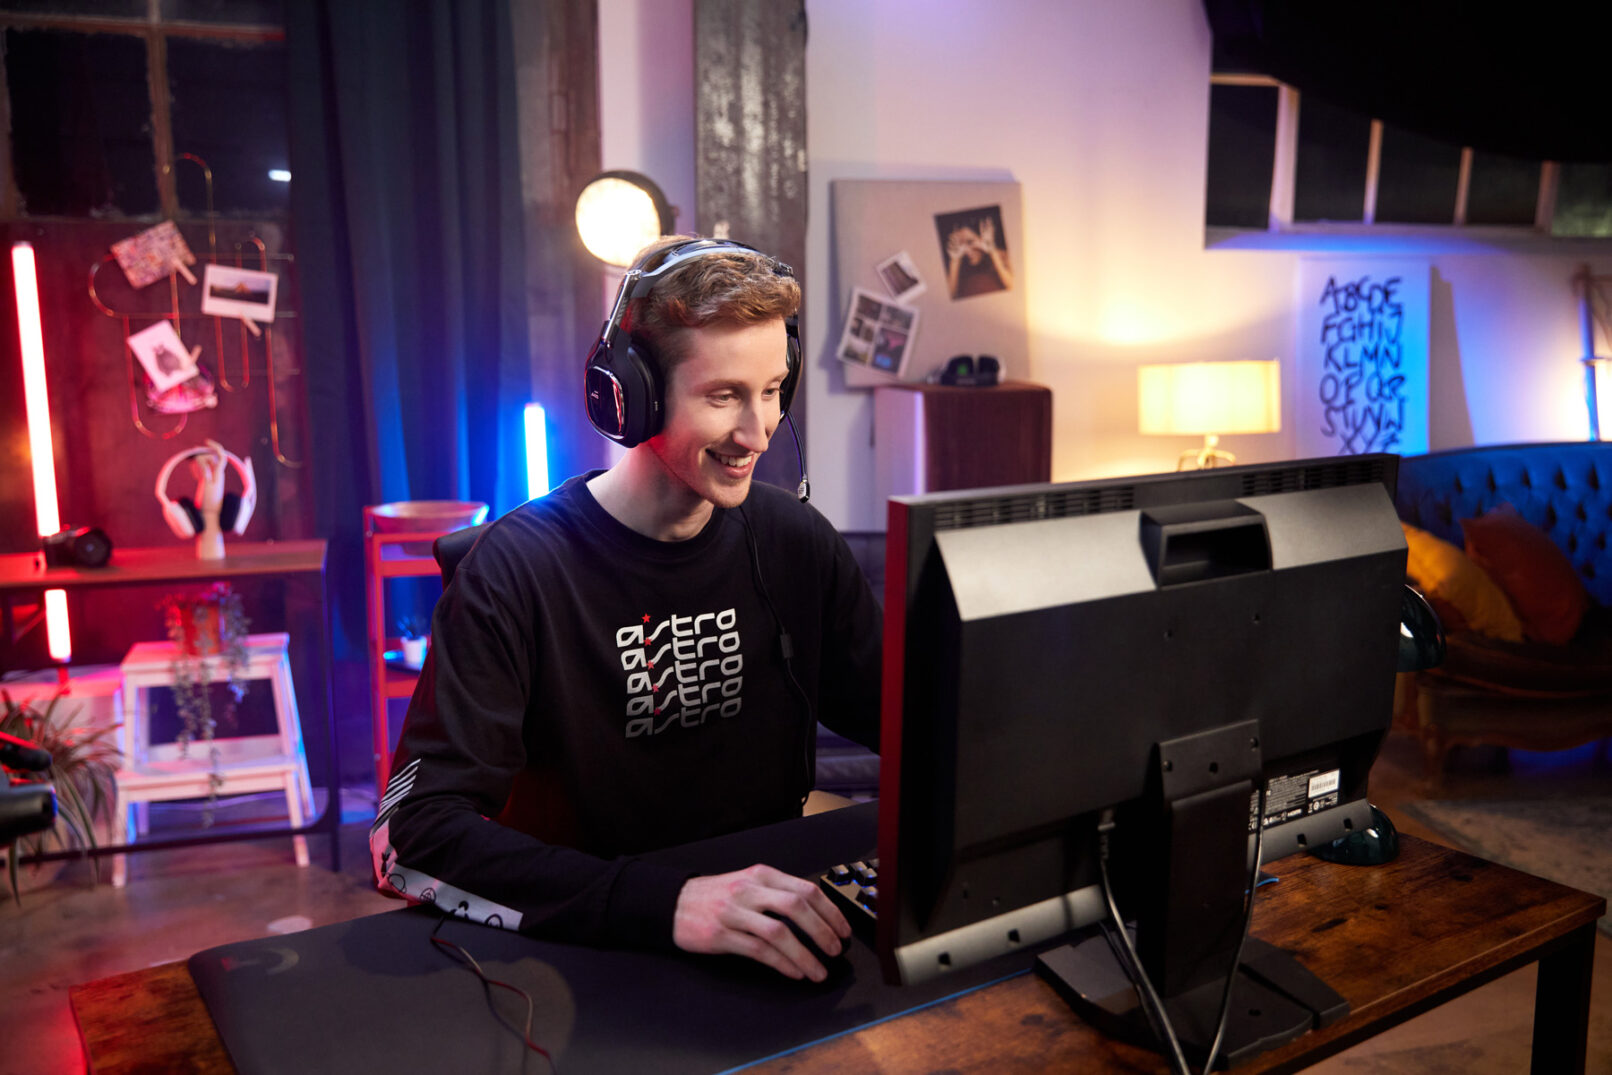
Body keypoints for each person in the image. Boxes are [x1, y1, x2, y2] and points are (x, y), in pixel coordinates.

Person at [369, 236, 882, 984]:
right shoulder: (515, 573)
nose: (758, 431)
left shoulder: (793, 541)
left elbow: (903, 714)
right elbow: (410, 839)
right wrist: (665, 903)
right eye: (723, 396)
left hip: (772, 928)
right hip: (583, 955)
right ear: (630, 393)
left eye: (773, 389)